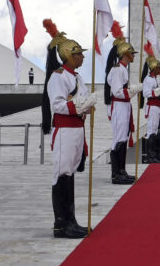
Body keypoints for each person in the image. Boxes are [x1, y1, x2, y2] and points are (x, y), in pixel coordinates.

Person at [41, 19, 94, 239]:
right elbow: (57, 105)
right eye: (79, 54)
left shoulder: (77, 77)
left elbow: (80, 101)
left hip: (77, 128)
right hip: (64, 130)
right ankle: (61, 223)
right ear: (69, 56)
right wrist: (79, 106)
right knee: (62, 173)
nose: (82, 56)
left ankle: (71, 219)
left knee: (70, 173)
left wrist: (85, 107)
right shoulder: (58, 76)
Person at [103, 22, 136, 185]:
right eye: (132, 53)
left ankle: (121, 170)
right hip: (120, 104)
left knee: (123, 136)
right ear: (125, 54)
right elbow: (117, 91)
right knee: (119, 138)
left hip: (124, 105)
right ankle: (117, 173)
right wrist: (133, 91)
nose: (134, 55)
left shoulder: (122, 69)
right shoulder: (117, 69)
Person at [141, 56, 160, 163]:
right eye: (158, 68)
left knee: (155, 130)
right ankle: (150, 156)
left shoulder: (154, 79)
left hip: (156, 106)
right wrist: (157, 92)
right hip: (152, 106)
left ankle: (154, 154)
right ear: (153, 68)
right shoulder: (149, 79)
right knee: (151, 130)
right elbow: (146, 93)